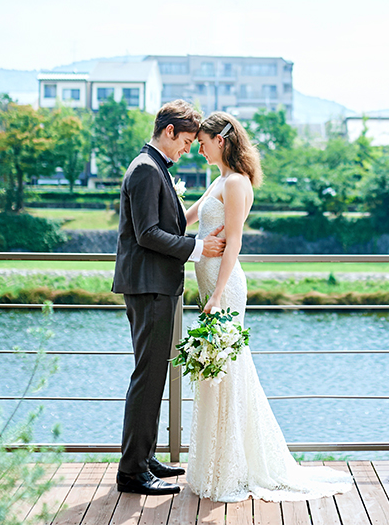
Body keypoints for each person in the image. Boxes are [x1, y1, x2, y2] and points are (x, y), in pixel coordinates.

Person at [184, 111, 353, 502]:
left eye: (204, 142)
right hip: (208, 278)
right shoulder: (219, 181)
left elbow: (235, 243)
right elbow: (188, 218)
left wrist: (215, 294)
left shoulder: (238, 184)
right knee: (215, 372)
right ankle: (216, 465)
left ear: (220, 140)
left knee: (226, 369)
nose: (201, 148)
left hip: (224, 288)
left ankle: (233, 468)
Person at [112, 100, 226, 496]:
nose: (187, 149)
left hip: (155, 285)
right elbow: (146, 234)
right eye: (187, 141)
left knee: (153, 375)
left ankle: (143, 457)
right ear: (170, 131)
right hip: (149, 286)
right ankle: (132, 472)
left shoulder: (153, 167)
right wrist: (197, 248)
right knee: (147, 378)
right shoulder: (145, 170)